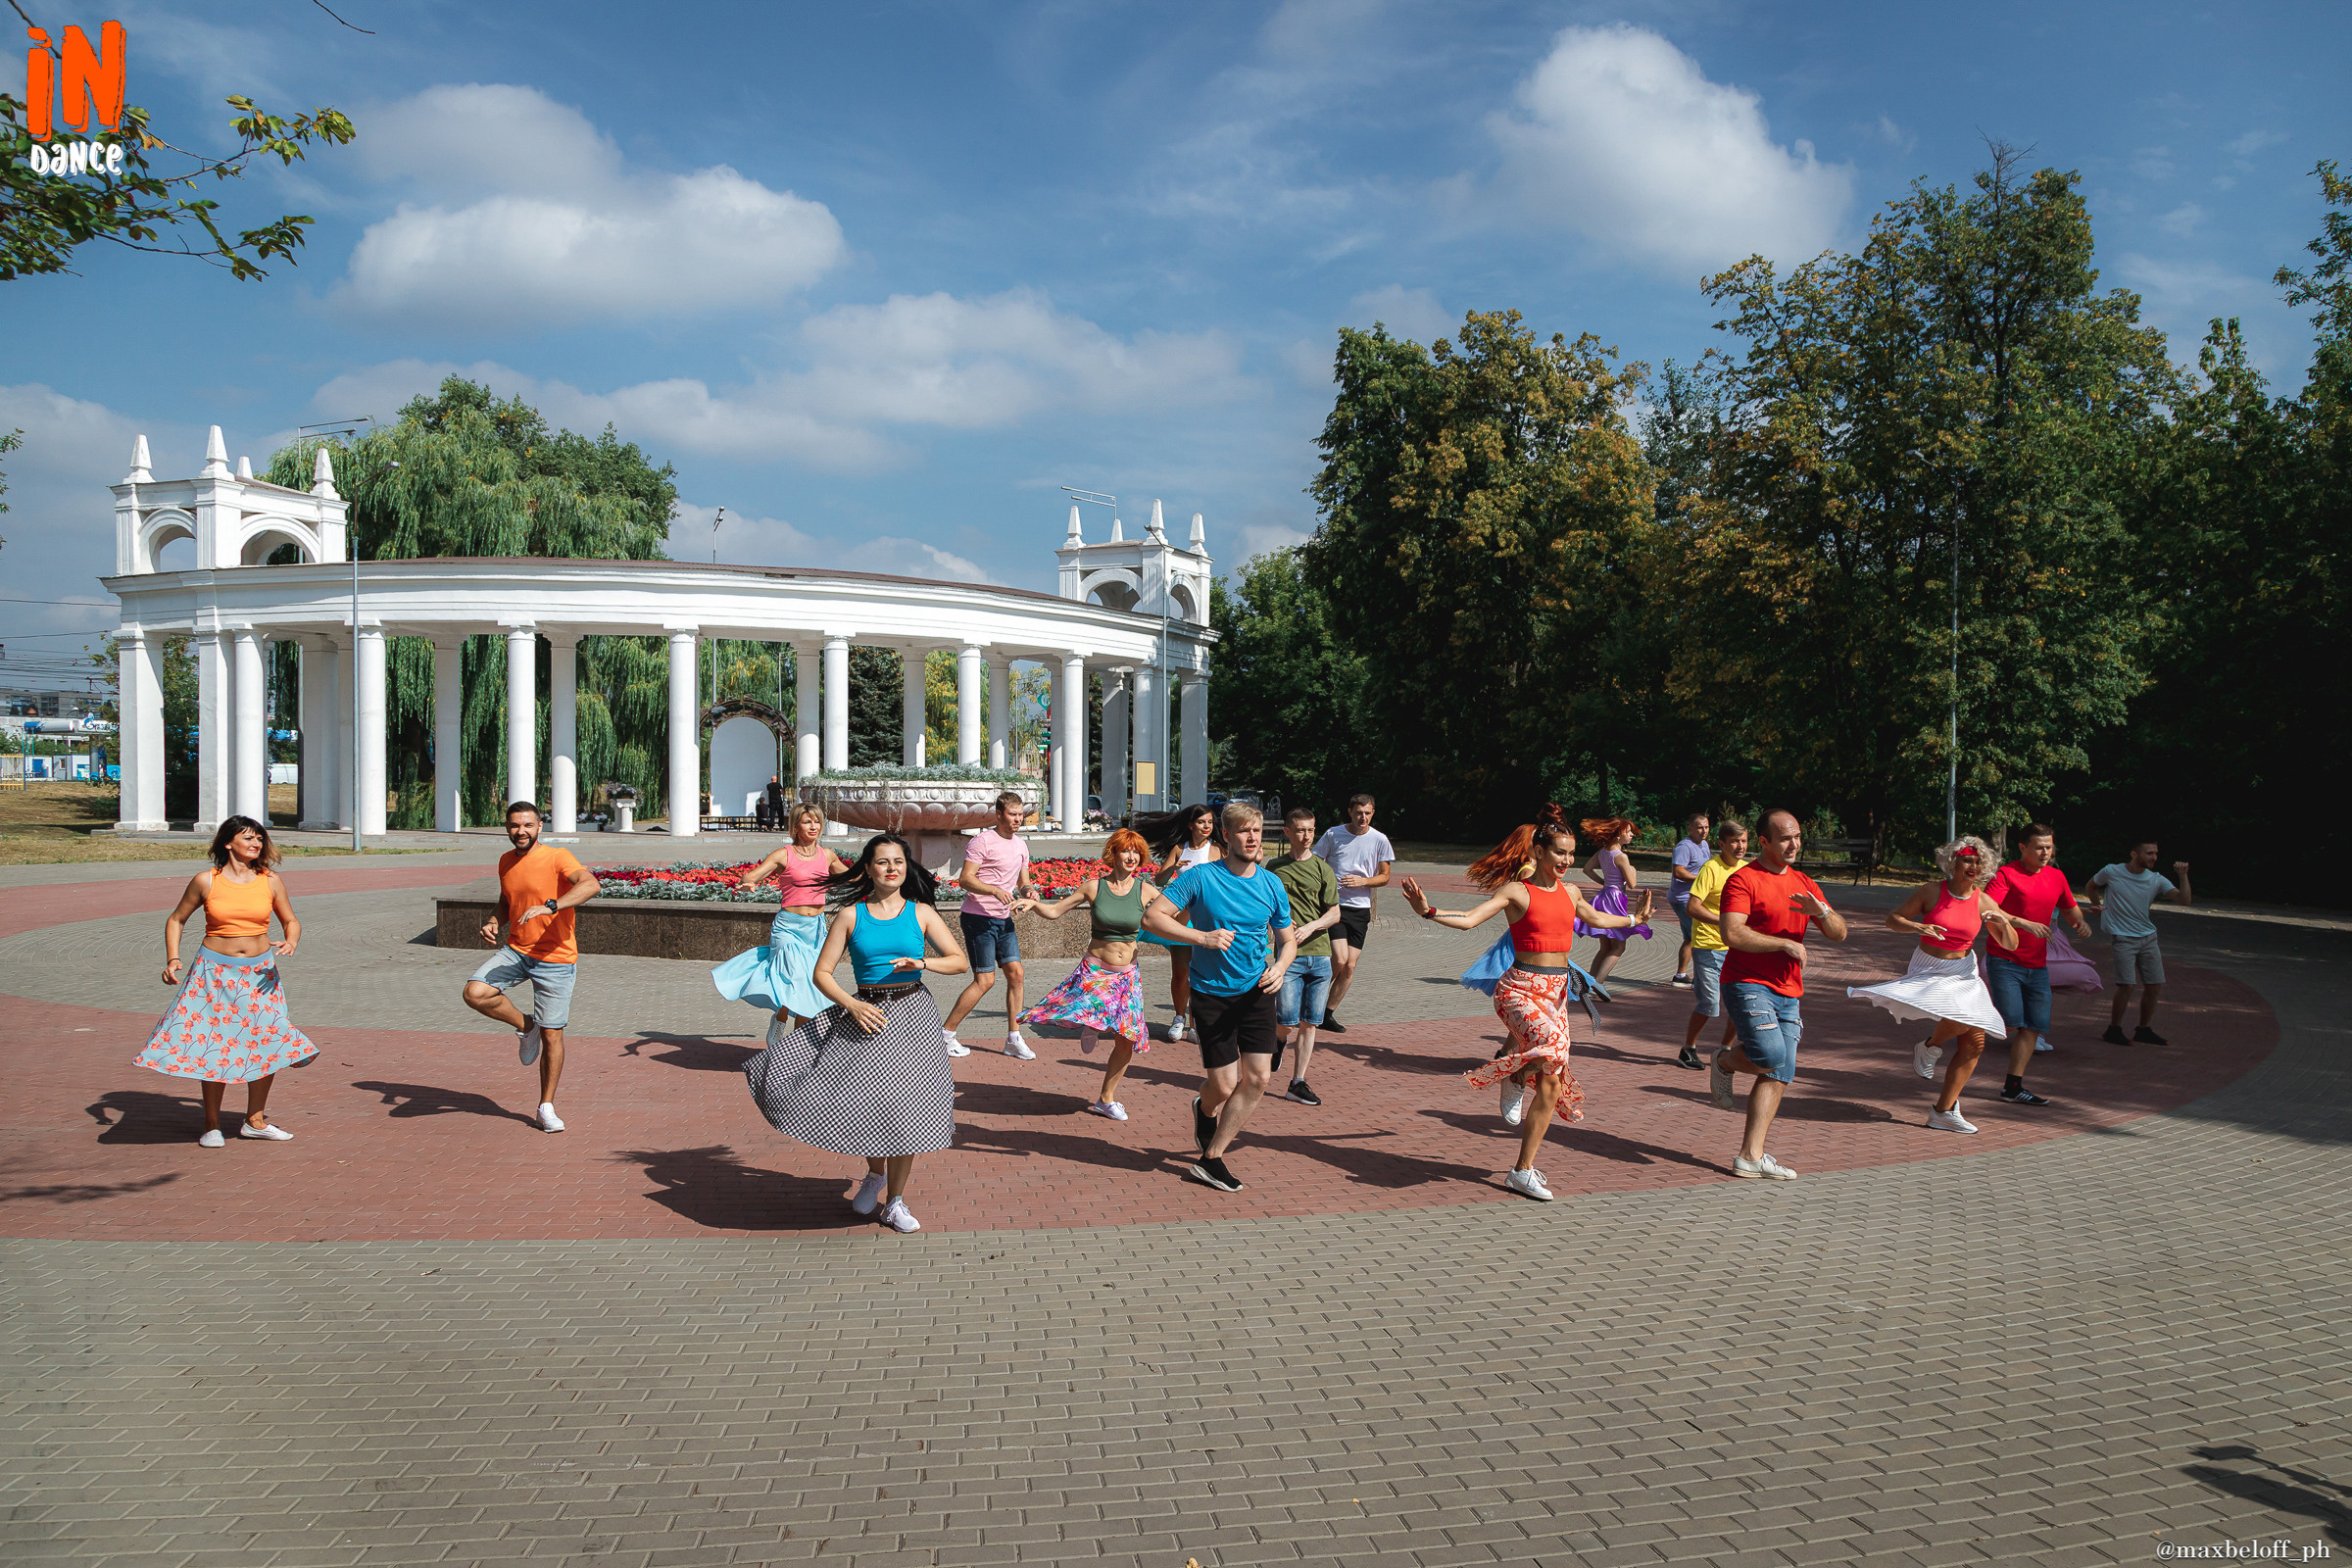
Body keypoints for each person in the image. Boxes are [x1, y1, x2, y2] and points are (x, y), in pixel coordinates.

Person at [1399, 805, 1648, 1201]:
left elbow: (1598, 920)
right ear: (1539, 852)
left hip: (1556, 993)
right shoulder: (1518, 891)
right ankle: (1512, 1077)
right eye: (1559, 853)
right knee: (1552, 1050)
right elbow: (1469, 918)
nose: (1567, 860)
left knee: (1551, 1083)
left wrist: (1634, 921)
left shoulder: (1571, 891)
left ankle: (1522, 1170)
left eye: (1571, 853)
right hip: (1518, 989)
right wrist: (1427, 911)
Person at [743, 832, 968, 1233]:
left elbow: (957, 962)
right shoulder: (851, 914)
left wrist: (922, 964)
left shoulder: (922, 913)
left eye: (898, 861)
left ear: (906, 867)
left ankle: (896, 1201)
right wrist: (852, 1004)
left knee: (909, 1109)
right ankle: (875, 1175)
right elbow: (821, 974)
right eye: (883, 862)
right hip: (866, 1014)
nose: (892, 869)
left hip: (914, 1014)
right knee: (866, 1103)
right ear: (868, 868)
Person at [1142, 801, 1297, 1193]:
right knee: (1224, 1086)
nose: (1251, 838)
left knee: (1258, 1079)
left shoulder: (1270, 883)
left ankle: (1211, 1159)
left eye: (1257, 832)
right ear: (1225, 835)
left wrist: (1279, 967)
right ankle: (1205, 1107)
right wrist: (1201, 938)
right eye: (1244, 831)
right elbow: (1152, 917)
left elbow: (1287, 938)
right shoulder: (1201, 878)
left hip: (1258, 989)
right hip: (1211, 994)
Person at [136, 816, 316, 1146]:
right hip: (213, 973)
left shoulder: (270, 880)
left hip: (261, 975)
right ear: (227, 843)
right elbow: (176, 919)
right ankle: (212, 1125)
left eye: (260, 838)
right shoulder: (207, 881)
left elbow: (291, 920)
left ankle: (255, 1121)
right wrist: (172, 958)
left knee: (265, 1042)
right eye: (249, 838)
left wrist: (291, 940)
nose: (257, 843)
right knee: (212, 1044)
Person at [1020, 827, 1204, 1119]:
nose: (1131, 857)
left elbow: (1177, 918)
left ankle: (1106, 1098)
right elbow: (1055, 912)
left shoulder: (1145, 890)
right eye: (1125, 851)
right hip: (1095, 972)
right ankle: (1093, 1021)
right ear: (1113, 854)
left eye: (1136, 852)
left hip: (1127, 975)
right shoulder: (1094, 887)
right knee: (1084, 1009)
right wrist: (1033, 904)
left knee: (1128, 1039)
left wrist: (1196, 902)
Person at [1708, 809, 1851, 1180]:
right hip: (1747, 982)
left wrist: (1822, 911)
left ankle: (1750, 1157)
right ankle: (1724, 1062)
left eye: (1798, 837)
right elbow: (1732, 933)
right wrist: (1782, 944)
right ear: (1764, 842)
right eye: (1786, 838)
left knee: (1781, 1070)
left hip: (1789, 990)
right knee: (1771, 1055)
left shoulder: (1805, 882)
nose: (1794, 844)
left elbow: (1838, 933)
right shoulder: (1744, 880)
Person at [1847, 837, 2022, 1134]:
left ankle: (1942, 1109)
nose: (1974, 866)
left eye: (1979, 862)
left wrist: (2004, 924)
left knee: (1975, 1042)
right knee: (1960, 1019)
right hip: (1930, 967)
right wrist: (1917, 926)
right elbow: (1893, 919)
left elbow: (2011, 944)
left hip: (1964, 970)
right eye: (1968, 860)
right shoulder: (1932, 891)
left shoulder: (1983, 900)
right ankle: (1931, 1047)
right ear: (1952, 862)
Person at [461, 801, 602, 1134]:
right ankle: (526, 1026)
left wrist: (551, 906)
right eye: (514, 826)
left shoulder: (557, 857)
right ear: (507, 828)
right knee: (475, 992)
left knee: (554, 1034)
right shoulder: (506, 861)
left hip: (555, 958)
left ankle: (546, 1106)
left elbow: (590, 884)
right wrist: (495, 919)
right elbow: (508, 900)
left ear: (539, 827)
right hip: (517, 950)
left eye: (527, 825)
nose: (520, 831)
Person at [1978, 823, 2096, 1103]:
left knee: (2033, 1026)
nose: (2045, 853)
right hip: (2005, 960)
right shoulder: (2006, 874)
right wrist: (2021, 922)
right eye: (2039, 847)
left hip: (2037, 965)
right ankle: (1947, 1034)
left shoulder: (2056, 876)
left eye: (2049, 847)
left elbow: (2069, 909)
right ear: (2023, 848)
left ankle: (2013, 1087)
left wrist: (2081, 923)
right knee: (2007, 1021)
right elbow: (1986, 908)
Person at [711, 803, 848, 1031]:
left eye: (816, 821)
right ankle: (782, 1019)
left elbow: (852, 879)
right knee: (799, 979)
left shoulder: (828, 856)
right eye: (807, 821)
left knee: (811, 985)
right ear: (795, 826)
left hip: (815, 930)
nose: (813, 826)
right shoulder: (783, 855)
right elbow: (752, 876)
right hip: (788, 929)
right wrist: (748, 883)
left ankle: (796, 1044)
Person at [942, 791, 1039, 1059]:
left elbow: (1023, 881)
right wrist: (994, 891)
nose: (1018, 819)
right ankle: (946, 1035)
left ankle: (1013, 1039)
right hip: (978, 917)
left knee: (1016, 974)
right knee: (984, 980)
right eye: (1012, 814)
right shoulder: (982, 841)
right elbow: (966, 880)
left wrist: (1029, 891)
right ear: (999, 814)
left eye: (1021, 815)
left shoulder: (1020, 845)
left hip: (1003, 918)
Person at [1266, 806, 1346, 1106]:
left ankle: (1297, 1081)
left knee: (1310, 1022)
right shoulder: (1274, 868)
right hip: (1290, 957)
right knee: (1286, 1020)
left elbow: (1334, 913)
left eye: (1311, 830)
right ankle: (1277, 1040)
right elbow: (1263, 903)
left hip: (1320, 955)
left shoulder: (1323, 869)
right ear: (1287, 832)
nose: (1307, 836)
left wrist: (1312, 926)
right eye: (1300, 830)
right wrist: (1281, 923)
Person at [2090, 842, 2192, 1045]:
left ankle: (2144, 1029)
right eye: (2149, 853)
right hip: (2123, 938)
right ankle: (2113, 1029)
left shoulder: (2155, 879)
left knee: (2154, 985)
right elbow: (2091, 886)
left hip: (2148, 938)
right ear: (2134, 853)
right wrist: (2096, 907)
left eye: (2156, 853)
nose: (2154, 857)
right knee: (2126, 985)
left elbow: (2184, 900)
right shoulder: (2112, 871)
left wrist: (2183, 875)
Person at [1137, 803, 1223, 1042]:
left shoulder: (1216, 849)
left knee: (1201, 973)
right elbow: (1160, 878)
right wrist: (1174, 866)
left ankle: (1196, 1024)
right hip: (1181, 920)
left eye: (1210, 822)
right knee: (1180, 972)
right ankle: (1178, 1018)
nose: (1206, 826)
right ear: (1190, 825)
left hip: (1207, 918)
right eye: (1201, 822)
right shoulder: (1179, 848)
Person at [1311, 793, 1394, 1034]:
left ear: (1373, 813)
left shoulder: (1380, 839)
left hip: (1360, 908)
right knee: (1339, 958)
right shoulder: (1334, 834)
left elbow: (1385, 876)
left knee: (1350, 965)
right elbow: (1316, 861)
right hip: (1334, 906)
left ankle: (1326, 1013)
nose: (1363, 818)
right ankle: (1311, 1003)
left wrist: (1363, 881)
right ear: (1350, 811)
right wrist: (1323, 887)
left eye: (1367, 813)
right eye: (1359, 813)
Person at [1678, 818, 1748, 1071]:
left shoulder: (1747, 870)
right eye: (1734, 842)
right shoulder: (1711, 868)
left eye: (1744, 841)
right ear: (1722, 844)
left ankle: (1725, 1051)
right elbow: (1692, 907)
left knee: (1740, 1004)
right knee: (1709, 1003)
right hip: (1708, 945)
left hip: (1737, 948)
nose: (1740, 846)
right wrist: (1725, 921)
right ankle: (1688, 1049)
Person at [1575, 817, 1654, 988]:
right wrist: (1633, 871)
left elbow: (1586, 869)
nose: (1632, 835)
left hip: (1604, 897)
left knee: (1605, 947)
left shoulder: (1603, 852)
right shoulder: (1621, 856)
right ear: (1618, 835)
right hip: (1616, 899)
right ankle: (1598, 983)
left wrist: (1604, 883)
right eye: (1629, 832)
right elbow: (1632, 884)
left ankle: (1589, 982)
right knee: (1618, 946)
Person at [1669, 812, 1713, 986]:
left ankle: (1680, 976)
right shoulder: (1684, 847)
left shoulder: (1704, 845)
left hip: (1693, 897)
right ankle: (1701, 978)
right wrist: (1701, 879)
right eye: (1700, 827)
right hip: (1683, 899)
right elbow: (1678, 871)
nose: (1704, 831)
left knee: (1690, 937)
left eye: (1707, 827)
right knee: (1699, 937)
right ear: (1690, 828)